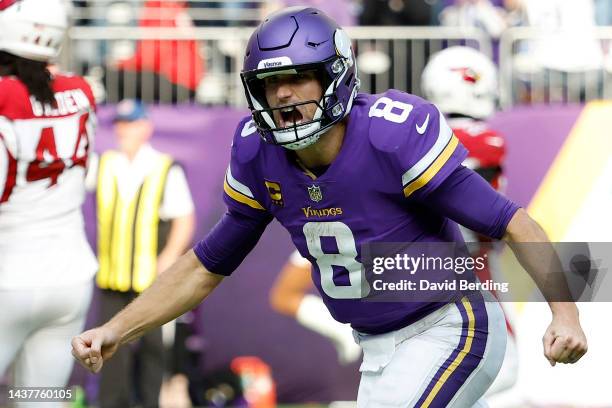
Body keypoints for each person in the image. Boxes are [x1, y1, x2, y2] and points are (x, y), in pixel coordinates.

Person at [73, 7, 588, 407]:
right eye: (270, 83)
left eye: (298, 77)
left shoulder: (390, 135)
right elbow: (205, 265)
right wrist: (117, 329)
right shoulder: (258, 151)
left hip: (449, 326)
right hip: (376, 347)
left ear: (335, 76)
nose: (283, 94)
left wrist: (565, 315)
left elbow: (511, 221)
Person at [0, 0, 97, 398]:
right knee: (41, 401)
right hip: (70, 276)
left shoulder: (6, 98)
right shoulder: (80, 91)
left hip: (9, 275)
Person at [421, 45, 519, 399]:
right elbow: (491, 226)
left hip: (411, 280)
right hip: (468, 280)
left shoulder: (412, 139)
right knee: (504, 371)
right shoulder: (484, 142)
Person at [86, 99, 196, 408]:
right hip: (112, 274)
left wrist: (169, 256)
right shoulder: (105, 163)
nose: (124, 130)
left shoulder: (163, 166)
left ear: (145, 127)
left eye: (130, 123)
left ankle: (149, 402)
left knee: (151, 348)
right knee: (108, 348)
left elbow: (184, 217)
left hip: (149, 276)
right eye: (120, 124)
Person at [270, 250, 362, 365]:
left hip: (327, 238)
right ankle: (347, 327)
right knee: (284, 297)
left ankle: (347, 327)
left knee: (284, 297)